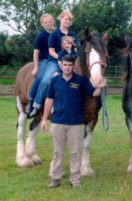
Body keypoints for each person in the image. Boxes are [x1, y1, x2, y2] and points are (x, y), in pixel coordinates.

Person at [41, 55, 101, 189]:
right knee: (57, 152)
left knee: (75, 153)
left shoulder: (81, 81)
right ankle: (55, 179)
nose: (67, 67)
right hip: (57, 123)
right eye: (65, 65)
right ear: (61, 65)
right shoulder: (55, 80)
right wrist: (45, 118)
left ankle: (75, 181)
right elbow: (49, 100)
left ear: (73, 66)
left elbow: (94, 93)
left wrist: (101, 86)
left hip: (76, 124)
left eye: (70, 65)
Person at [29, 10, 78, 117]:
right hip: (55, 62)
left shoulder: (73, 34)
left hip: (70, 62)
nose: (68, 21)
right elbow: (51, 51)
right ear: (60, 19)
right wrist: (61, 60)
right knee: (45, 81)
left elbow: (75, 50)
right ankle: (36, 105)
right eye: (66, 19)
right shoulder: (54, 34)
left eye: (70, 20)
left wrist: (73, 60)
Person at [26, 13, 55, 114]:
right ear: (42, 24)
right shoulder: (41, 35)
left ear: (53, 22)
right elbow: (36, 52)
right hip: (44, 60)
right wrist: (35, 67)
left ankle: (39, 105)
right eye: (45, 22)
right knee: (39, 78)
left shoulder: (57, 33)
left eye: (49, 22)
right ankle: (30, 100)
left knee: (46, 81)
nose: (48, 24)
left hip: (54, 61)